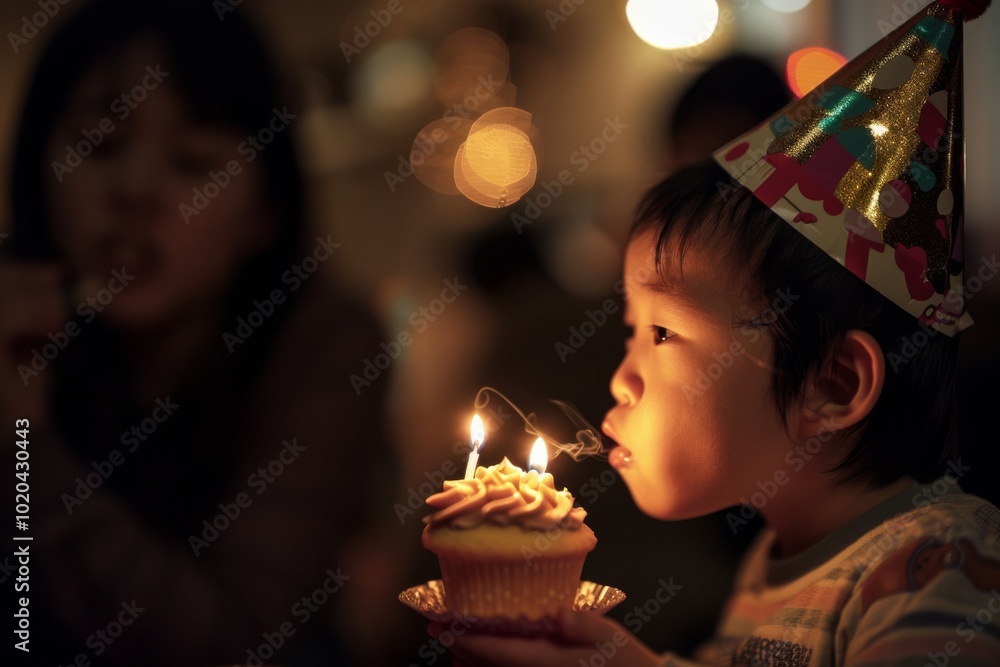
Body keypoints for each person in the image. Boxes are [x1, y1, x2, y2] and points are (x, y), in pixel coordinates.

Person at [440, 1, 1000, 664]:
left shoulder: (939, 563)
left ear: (834, 381)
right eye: (630, 334)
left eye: (665, 333)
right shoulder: (773, 560)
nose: (621, 379)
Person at [0, 0, 397, 664]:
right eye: (98, 144)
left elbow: (238, 641)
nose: (135, 189)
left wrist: (19, 440)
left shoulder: (324, 343)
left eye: (192, 161)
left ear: (264, 212)